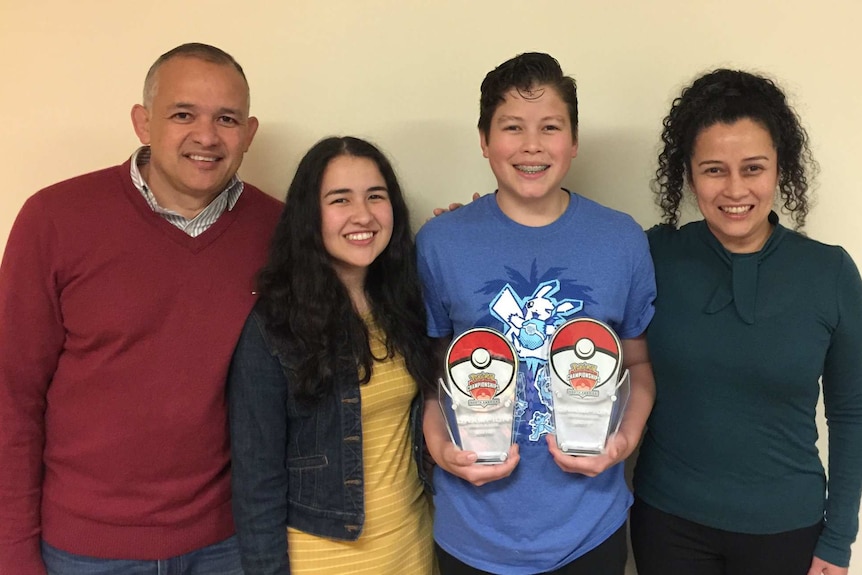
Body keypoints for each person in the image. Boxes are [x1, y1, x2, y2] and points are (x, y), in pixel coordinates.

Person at [0, 43, 282, 574]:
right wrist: (13, 552)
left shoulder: (279, 232)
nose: (206, 136)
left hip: (228, 543)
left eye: (226, 118)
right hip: (83, 550)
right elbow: (11, 397)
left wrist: (470, 226)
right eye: (183, 114)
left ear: (248, 133)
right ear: (143, 123)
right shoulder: (53, 219)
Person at [417, 52, 656, 575]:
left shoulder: (622, 240)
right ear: (484, 140)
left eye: (550, 127)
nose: (531, 145)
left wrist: (624, 442)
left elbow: (637, 365)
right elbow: (433, 376)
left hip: (588, 530)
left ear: (573, 141)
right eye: (511, 127)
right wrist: (439, 447)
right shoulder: (440, 242)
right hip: (472, 531)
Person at [630, 69, 862, 575]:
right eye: (714, 169)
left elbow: (852, 413)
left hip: (788, 531)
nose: (735, 189)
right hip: (668, 523)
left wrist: (840, 538)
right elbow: (570, 285)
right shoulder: (652, 255)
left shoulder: (831, 272)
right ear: (689, 174)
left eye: (753, 167)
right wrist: (493, 230)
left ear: (781, 168)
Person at [228, 136, 437, 574]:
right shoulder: (275, 326)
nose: (363, 215)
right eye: (340, 199)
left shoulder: (406, 303)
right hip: (322, 559)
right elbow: (256, 483)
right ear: (310, 216)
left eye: (375, 196)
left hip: (411, 549)